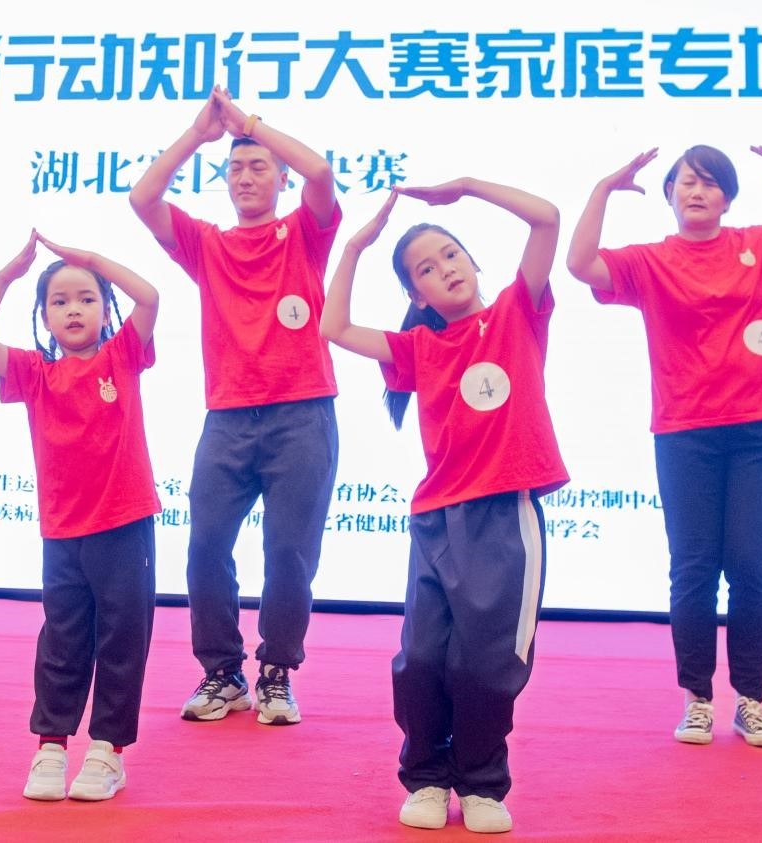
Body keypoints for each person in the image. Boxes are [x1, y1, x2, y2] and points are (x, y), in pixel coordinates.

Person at [565, 145, 762, 748]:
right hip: (685, 432)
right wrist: (602, 189)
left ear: (727, 198)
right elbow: (581, 264)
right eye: (685, 182)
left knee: (752, 565)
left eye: (709, 183)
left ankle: (751, 701)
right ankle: (697, 699)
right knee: (694, 568)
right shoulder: (651, 260)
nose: (696, 191)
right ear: (670, 195)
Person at [321, 179, 566, 833]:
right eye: (424, 269)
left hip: (504, 515)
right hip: (435, 519)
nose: (444, 269)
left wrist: (466, 189)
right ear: (417, 295)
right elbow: (333, 327)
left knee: (486, 664)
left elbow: (546, 217)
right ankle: (427, 776)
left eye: (450, 254)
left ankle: (482, 783)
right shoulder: (419, 349)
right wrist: (355, 246)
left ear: (472, 260)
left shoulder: (517, 312)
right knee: (422, 659)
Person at [128, 87, 341, 725]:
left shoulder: (304, 233)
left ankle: (276, 672)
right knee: (206, 547)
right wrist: (200, 135)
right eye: (236, 168)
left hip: (302, 413)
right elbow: (143, 199)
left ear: (280, 178)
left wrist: (248, 123)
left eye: (259, 167)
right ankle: (222, 673)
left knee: (290, 553)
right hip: (227, 418)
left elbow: (321, 172)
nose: (246, 177)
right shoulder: (207, 244)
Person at [0, 231, 161, 802]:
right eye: (59, 301)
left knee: (122, 639)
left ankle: (107, 752)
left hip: (124, 525)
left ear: (105, 308)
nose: (73, 309)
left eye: (86, 298)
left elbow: (149, 297)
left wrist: (91, 259)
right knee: (62, 640)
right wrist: (5, 276)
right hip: (62, 531)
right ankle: (51, 746)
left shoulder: (121, 356)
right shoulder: (33, 373)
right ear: (44, 316)